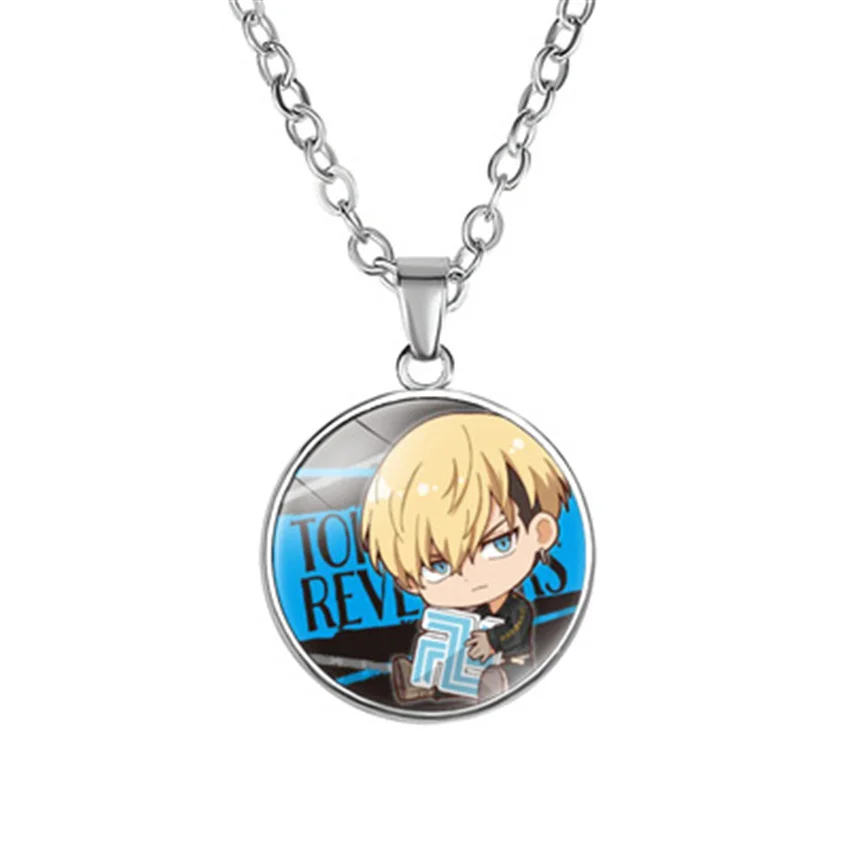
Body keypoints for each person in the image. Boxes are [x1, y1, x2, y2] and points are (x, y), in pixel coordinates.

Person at [360, 412, 570, 703]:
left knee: (498, 673)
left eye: (499, 543)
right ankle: (421, 683)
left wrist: (493, 640)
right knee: (443, 665)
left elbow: (517, 629)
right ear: (409, 581)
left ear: (541, 532)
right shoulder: (460, 614)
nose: (471, 576)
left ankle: (492, 682)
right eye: (438, 565)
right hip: (462, 668)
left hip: (509, 664)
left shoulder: (516, 608)